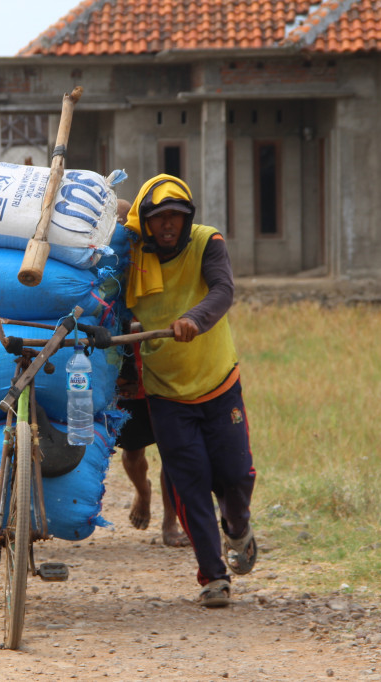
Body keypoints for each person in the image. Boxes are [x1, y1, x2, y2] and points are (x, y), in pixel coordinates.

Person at [121, 174, 258, 608]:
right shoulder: (131, 255)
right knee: (190, 483)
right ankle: (213, 577)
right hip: (166, 394)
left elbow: (223, 289)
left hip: (219, 383)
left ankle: (237, 528)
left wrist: (194, 319)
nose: (168, 225)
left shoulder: (206, 242)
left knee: (236, 476)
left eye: (175, 217)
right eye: (158, 218)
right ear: (145, 221)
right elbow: (111, 304)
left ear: (188, 219)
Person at [114, 198, 189, 547]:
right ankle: (142, 492)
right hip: (124, 370)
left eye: (124, 224)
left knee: (172, 450)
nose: (120, 232)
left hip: (162, 363)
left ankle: (170, 522)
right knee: (132, 450)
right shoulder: (100, 261)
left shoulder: (156, 255)